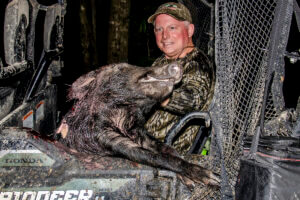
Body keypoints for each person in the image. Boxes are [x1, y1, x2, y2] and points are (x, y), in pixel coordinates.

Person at [145, 2, 215, 155]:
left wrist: (158, 93)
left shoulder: (197, 63)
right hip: (143, 143)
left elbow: (193, 99)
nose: (164, 36)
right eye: (159, 29)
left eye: (172, 28)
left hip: (169, 153)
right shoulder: (161, 62)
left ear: (189, 30)